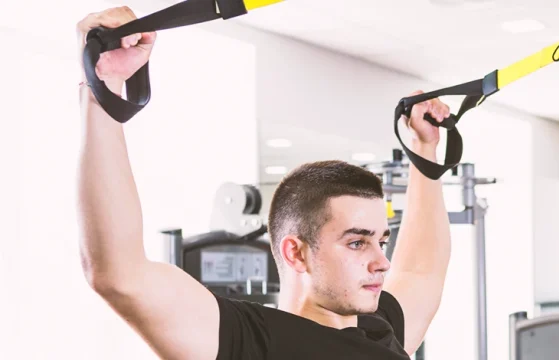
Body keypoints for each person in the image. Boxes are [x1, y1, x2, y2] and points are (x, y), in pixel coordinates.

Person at [76, 6, 452, 360]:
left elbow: (422, 271)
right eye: (357, 242)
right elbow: (119, 274)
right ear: (295, 253)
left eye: (380, 240)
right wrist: (102, 90)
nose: (381, 262)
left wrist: (424, 147)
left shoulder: (379, 328)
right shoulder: (255, 342)